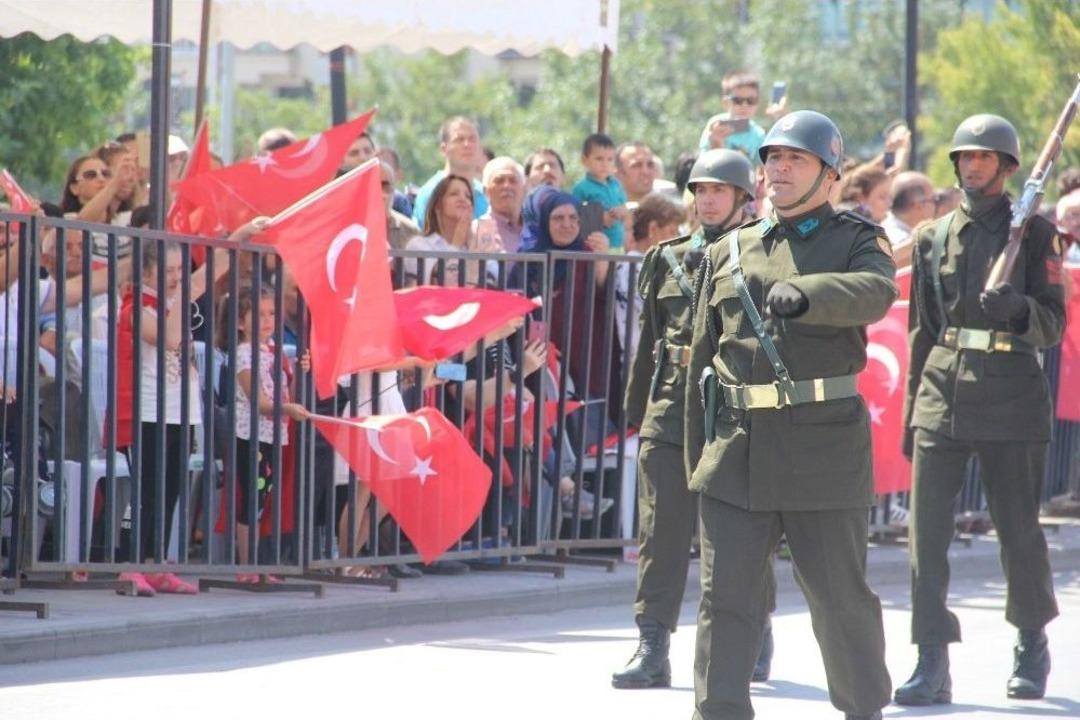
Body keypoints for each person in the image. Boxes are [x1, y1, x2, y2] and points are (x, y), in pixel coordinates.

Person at [685, 111, 894, 720]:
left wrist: (812, 295)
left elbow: (876, 291)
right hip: (737, 451)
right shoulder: (729, 248)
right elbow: (702, 360)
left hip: (821, 450)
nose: (777, 167)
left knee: (839, 601)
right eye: (772, 157)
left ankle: (863, 709)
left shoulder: (856, 238)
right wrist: (696, 459)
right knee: (724, 603)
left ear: (830, 175)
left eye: (795, 158)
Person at [897, 114, 1064, 706]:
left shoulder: (1039, 233)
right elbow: (922, 330)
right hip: (943, 391)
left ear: (1008, 167)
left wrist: (1019, 309)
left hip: (1012, 391)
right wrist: (912, 413)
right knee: (926, 537)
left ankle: (1030, 641)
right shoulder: (931, 236)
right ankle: (930, 658)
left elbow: (1053, 322)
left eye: (985, 158)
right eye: (965, 157)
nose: (972, 166)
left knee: (1018, 531)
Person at [614, 150, 778, 690]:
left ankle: (753, 631)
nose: (706, 199)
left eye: (718, 190)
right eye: (700, 190)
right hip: (669, 403)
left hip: (727, 408)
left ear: (740, 198)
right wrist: (635, 411)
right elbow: (651, 343)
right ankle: (652, 643)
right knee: (660, 531)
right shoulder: (665, 258)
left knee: (732, 536)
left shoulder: (759, 253)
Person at [222, 286, 310, 582]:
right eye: (258, 314)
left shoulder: (273, 352)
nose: (267, 320)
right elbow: (258, 402)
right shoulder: (244, 354)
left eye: (272, 313)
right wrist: (289, 409)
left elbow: (286, 393)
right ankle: (247, 566)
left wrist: (300, 376)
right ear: (240, 322)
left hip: (273, 434)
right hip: (250, 435)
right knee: (252, 499)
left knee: (263, 498)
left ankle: (256, 564)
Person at [614, 193, 686, 364]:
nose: (677, 238)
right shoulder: (632, 268)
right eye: (672, 231)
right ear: (653, 229)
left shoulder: (651, 266)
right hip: (643, 366)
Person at [405, 174, 499, 287]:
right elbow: (446, 284)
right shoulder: (419, 245)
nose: (463, 199)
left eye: (468, 196)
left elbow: (493, 282)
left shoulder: (478, 243)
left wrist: (474, 246)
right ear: (437, 206)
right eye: (454, 194)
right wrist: (457, 242)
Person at [411, 116, 490, 226]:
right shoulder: (432, 193)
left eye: (472, 139)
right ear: (444, 149)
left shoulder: (485, 194)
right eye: (459, 140)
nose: (467, 144)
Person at [697, 70, 788, 160]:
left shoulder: (758, 134)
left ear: (757, 103)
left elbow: (763, 169)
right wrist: (716, 145)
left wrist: (783, 120)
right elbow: (704, 164)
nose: (745, 106)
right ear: (725, 103)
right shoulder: (716, 126)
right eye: (738, 100)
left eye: (751, 101)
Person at [572, 133, 628, 251]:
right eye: (599, 159)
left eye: (610, 159)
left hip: (618, 244)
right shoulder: (581, 187)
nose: (605, 164)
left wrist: (621, 212)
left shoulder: (616, 185)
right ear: (585, 160)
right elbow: (575, 215)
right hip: (595, 246)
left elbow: (624, 207)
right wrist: (598, 218)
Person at [479, 156, 526, 253]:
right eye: (499, 181)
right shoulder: (479, 230)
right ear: (485, 191)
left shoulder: (535, 228)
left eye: (513, 180)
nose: (507, 186)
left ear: (524, 189)